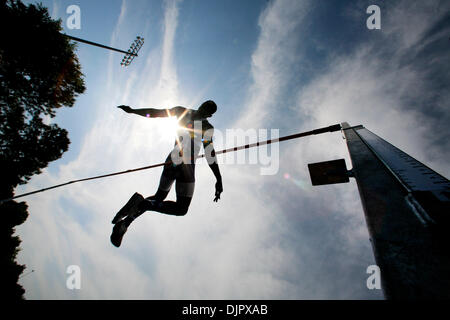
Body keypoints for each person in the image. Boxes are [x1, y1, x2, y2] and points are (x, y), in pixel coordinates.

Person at [110, 100, 223, 247]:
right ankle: (141, 204)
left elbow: (155, 113)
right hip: (187, 166)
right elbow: (209, 153)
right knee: (181, 208)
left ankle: (124, 224)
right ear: (208, 114)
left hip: (172, 160)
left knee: (158, 198)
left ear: (207, 111)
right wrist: (218, 179)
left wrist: (133, 111)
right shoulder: (206, 126)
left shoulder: (182, 111)